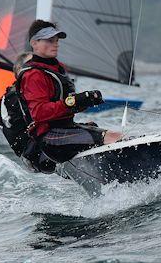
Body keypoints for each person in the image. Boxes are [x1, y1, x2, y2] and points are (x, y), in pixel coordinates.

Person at [17, 19, 121, 171]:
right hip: (49, 138)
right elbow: (39, 113)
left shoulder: (56, 68)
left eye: (57, 40)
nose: (55, 44)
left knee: (114, 134)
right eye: (50, 40)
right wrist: (73, 102)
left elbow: (65, 106)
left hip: (63, 131)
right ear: (34, 43)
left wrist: (85, 101)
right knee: (113, 137)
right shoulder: (34, 75)